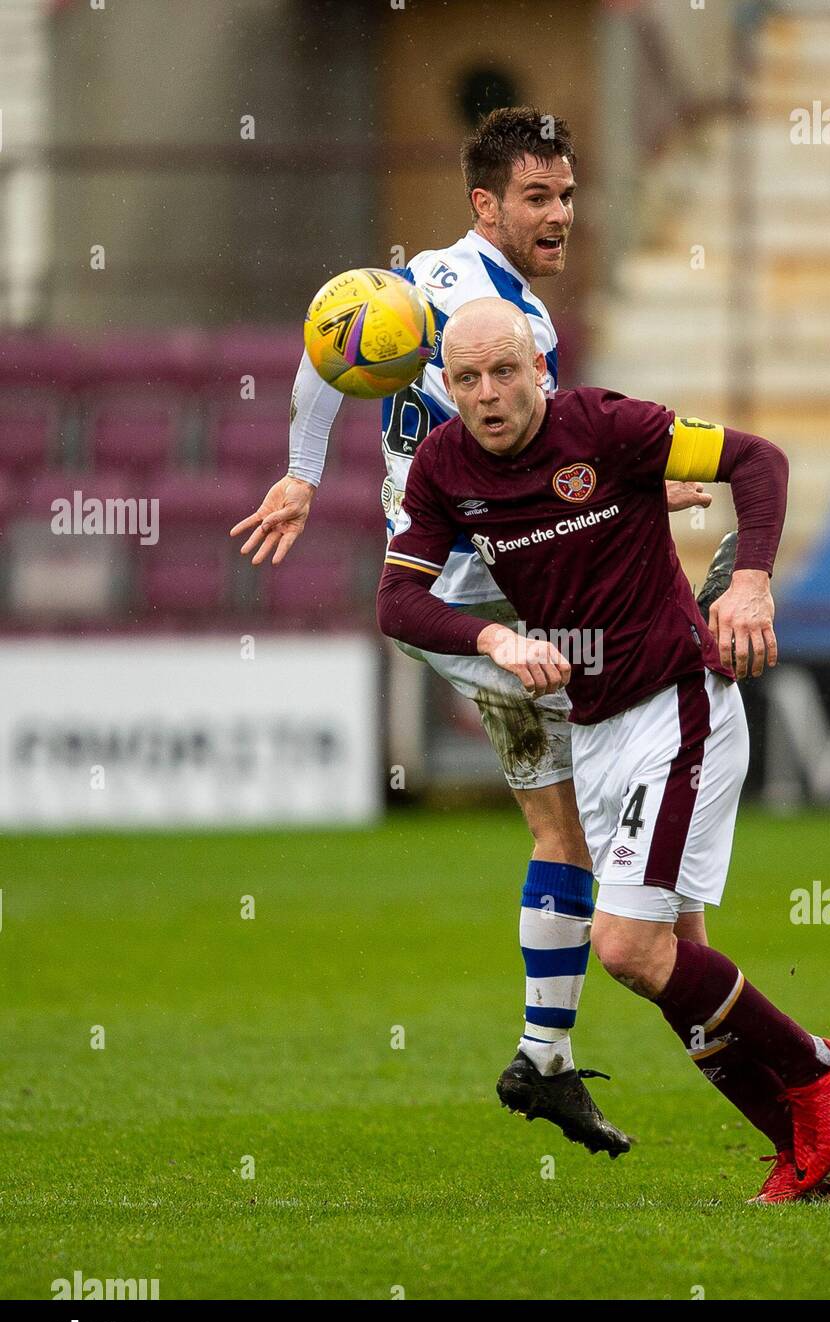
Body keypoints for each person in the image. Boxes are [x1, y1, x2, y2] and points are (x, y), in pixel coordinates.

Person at [232, 108, 728, 1162]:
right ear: (485, 205)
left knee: (573, 834)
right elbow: (336, 360)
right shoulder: (477, 311)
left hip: (472, 598)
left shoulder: (418, 291)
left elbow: (327, 350)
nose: (561, 214)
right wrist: (302, 471)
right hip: (475, 601)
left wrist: (306, 472)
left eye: (567, 194)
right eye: (538, 198)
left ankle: (548, 1056)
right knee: (639, 757)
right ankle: (682, 989)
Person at [375, 297, 830, 1203]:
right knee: (672, 963)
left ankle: (817, 1065)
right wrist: (492, 640)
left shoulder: (605, 424)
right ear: (447, 385)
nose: (487, 394)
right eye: (468, 378)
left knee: (627, 947)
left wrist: (750, 580)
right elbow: (397, 601)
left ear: (540, 372)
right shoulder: (443, 467)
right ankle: (806, 1155)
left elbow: (756, 459)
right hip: (593, 730)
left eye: (505, 372)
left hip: (677, 705)